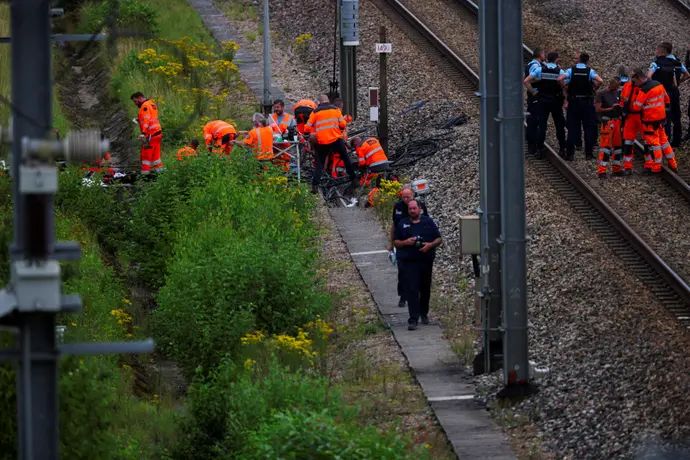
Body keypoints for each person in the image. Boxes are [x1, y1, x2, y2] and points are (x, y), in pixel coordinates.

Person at [393, 200, 442, 331]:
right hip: (409, 262)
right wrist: (406, 242)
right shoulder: (403, 223)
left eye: (414, 208)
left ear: (419, 209)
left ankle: (424, 313)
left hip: (425, 261)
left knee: (425, 288)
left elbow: (438, 238)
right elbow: (396, 242)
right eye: (410, 209)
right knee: (412, 290)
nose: (412, 211)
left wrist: (429, 245)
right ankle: (413, 318)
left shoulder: (428, 222)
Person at [304, 94, 356, 194]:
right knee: (346, 159)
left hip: (322, 142)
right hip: (336, 140)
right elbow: (343, 124)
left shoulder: (315, 112)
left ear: (318, 102)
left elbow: (307, 128)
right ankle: (354, 179)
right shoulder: (336, 110)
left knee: (319, 164)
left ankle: (315, 186)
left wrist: (312, 133)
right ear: (328, 101)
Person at [388, 187, 429, 309]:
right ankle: (403, 296)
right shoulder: (398, 207)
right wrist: (391, 243)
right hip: (402, 243)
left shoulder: (420, 206)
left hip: (417, 243)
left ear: (413, 196)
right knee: (402, 271)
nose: (406, 199)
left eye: (408, 197)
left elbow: (426, 223)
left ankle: (418, 297)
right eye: (403, 197)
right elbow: (394, 226)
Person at [632, 68, 678, 173]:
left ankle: (656, 167)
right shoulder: (659, 85)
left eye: (635, 82)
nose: (635, 84)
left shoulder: (644, 90)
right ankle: (673, 164)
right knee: (664, 142)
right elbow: (667, 100)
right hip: (661, 119)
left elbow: (636, 107)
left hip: (649, 121)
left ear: (639, 78)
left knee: (654, 143)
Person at [559, 53, 603, 160]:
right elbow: (600, 80)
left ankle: (570, 154)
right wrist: (594, 89)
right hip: (587, 102)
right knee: (588, 128)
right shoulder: (590, 71)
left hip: (574, 102)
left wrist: (565, 87)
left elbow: (559, 79)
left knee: (572, 128)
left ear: (579, 61)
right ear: (587, 61)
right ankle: (588, 154)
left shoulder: (571, 70)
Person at [523, 51, 566, 157]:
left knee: (542, 126)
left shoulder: (540, 69)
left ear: (548, 59)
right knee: (559, 125)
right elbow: (564, 84)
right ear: (556, 59)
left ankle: (539, 149)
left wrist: (533, 92)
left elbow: (526, 81)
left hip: (542, 101)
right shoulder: (560, 71)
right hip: (556, 101)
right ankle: (562, 149)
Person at [647, 42, 689, 147]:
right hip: (674, 92)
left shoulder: (656, 63)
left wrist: (654, 89)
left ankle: (665, 142)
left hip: (663, 93)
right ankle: (677, 141)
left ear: (662, 51)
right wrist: (678, 83)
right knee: (677, 116)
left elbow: (649, 77)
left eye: (657, 49)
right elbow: (687, 74)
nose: (655, 51)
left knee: (665, 117)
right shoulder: (678, 62)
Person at [595, 78, 624, 178]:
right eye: (616, 86)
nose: (617, 88)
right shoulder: (601, 93)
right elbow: (598, 109)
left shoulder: (618, 92)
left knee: (618, 147)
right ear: (611, 85)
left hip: (617, 121)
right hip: (607, 122)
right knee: (605, 147)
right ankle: (602, 171)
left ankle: (617, 169)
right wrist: (611, 108)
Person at [131, 92, 164, 175]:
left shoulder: (144, 106)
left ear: (139, 98)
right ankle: (160, 174)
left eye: (135, 101)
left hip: (150, 135)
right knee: (156, 157)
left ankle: (145, 177)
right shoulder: (152, 104)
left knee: (145, 157)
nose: (135, 104)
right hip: (158, 133)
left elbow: (146, 119)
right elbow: (151, 117)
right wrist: (139, 119)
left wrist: (143, 133)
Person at [619, 70, 642, 174]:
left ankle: (650, 164)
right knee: (628, 141)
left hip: (640, 116)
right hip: (630, 116)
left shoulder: (642, 87)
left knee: (647, 140)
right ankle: (627, 166)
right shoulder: (628, 86)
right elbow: (622, 101)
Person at [525, 47, 545, 156]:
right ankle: (533, 147)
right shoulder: (535, 65)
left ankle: (533, 146)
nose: (545, 56)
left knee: (533, 120)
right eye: (543, 53)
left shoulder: (532, 64)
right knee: (534, 121)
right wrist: (534, 92)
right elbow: (528, 80)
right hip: (536, 97)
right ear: (540, 54)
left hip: (534, 98)